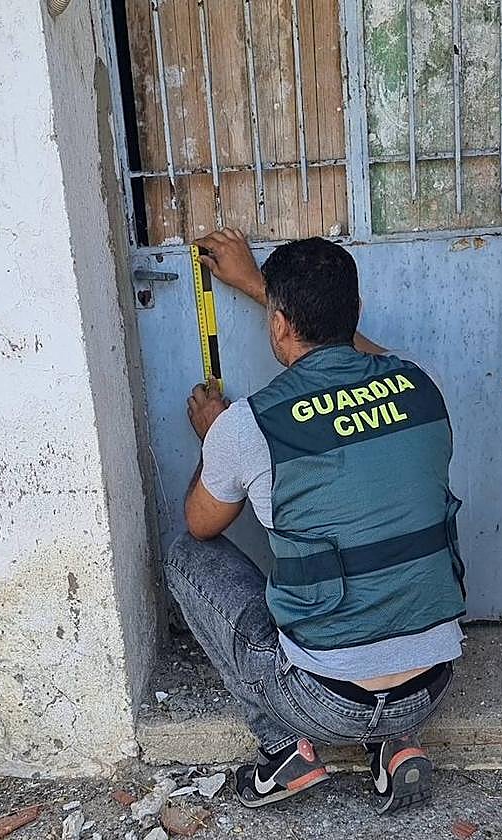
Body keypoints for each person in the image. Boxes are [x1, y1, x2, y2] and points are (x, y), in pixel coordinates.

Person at [164, 229, 467, 814]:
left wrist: (213, 440)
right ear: (356, 311)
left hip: (324, 701)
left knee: (185, 555)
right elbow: (370, 357)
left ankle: (284, 749)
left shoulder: (250, 425)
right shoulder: (422, 389)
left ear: (278, 324)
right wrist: (261, 287)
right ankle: (394, 744)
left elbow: (202, 524)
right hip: (430, 688)